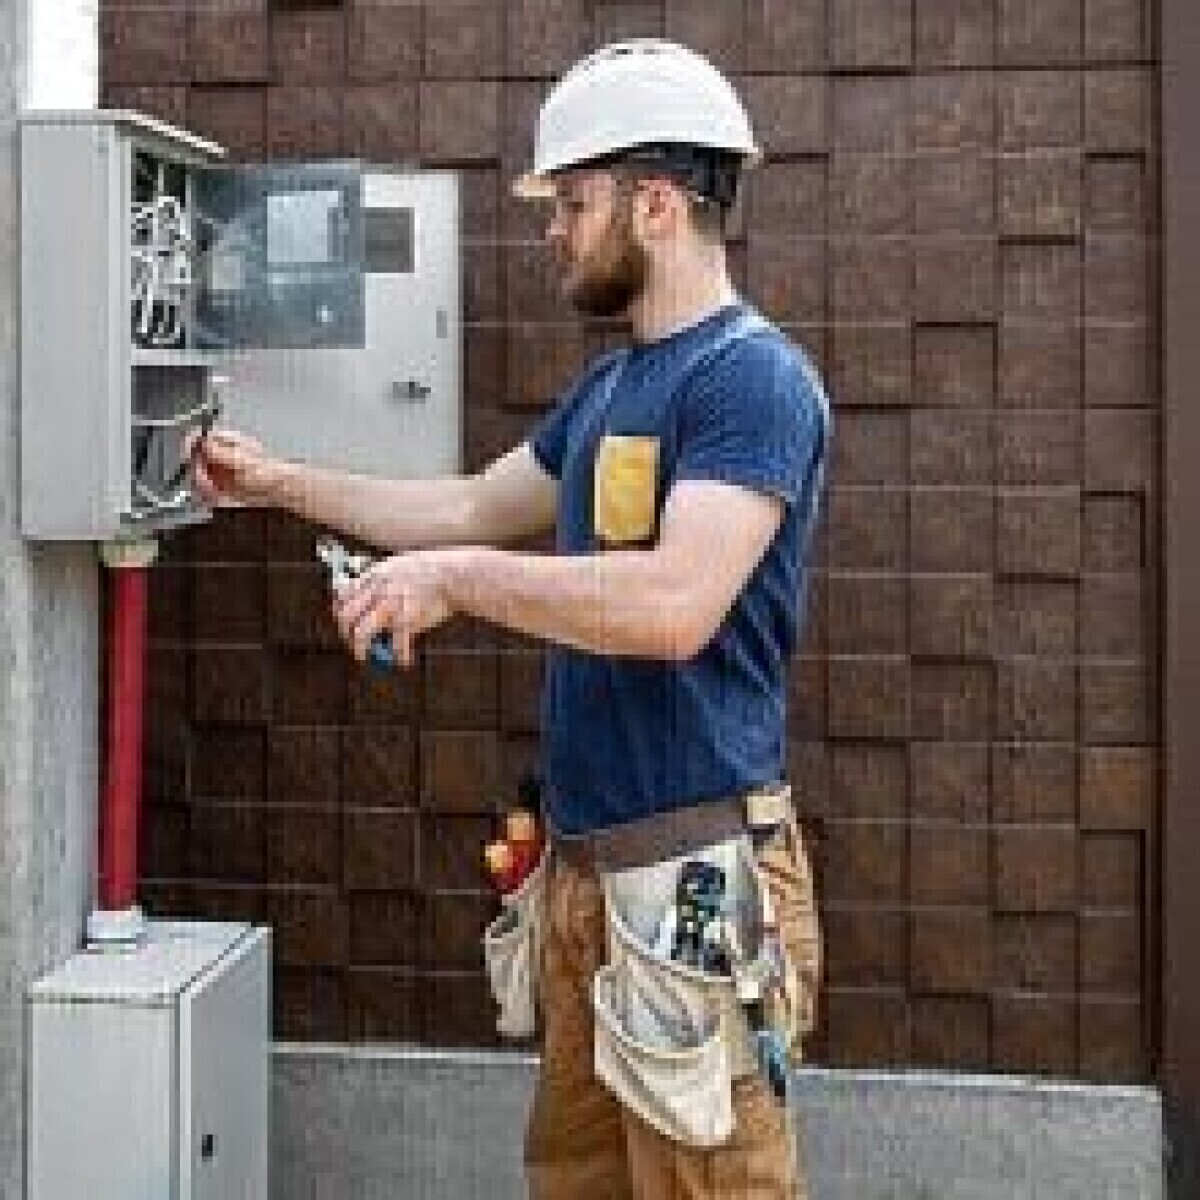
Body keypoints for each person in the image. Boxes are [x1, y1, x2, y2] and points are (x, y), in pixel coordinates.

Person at [193, 39, 829, 1200]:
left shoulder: (751, 380)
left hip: (693, 878)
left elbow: (675, 603)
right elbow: (471, 507)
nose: (553, 231)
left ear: (656, 203)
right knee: (577, 1184)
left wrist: (457, 580)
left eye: (573, 204)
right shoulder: (611, 386)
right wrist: (278, 483)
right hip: (586, 877)